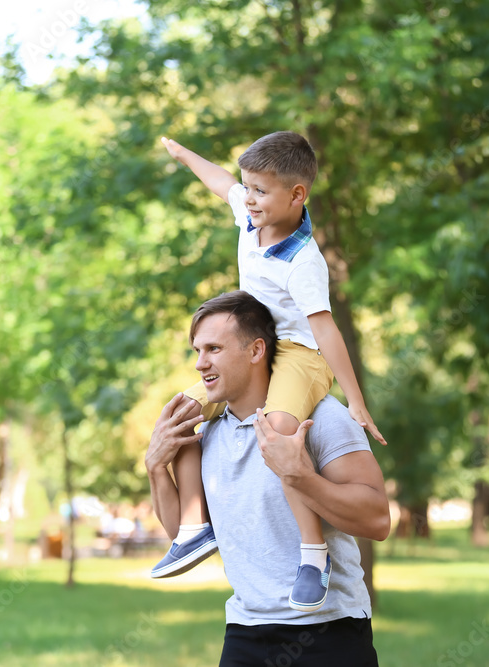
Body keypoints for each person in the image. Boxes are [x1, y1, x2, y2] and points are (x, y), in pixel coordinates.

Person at [151, 132, 386, 613]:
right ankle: (195, 528)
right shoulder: (248, 215)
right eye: (248, 187)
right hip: (257, 346)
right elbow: (219, 181)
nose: (249, 198)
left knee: (278, 433)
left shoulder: (303, 261)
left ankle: (312, 554)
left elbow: (326, 331)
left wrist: (355, 400)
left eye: (260, 190)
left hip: (299, 352)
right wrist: (180, 153)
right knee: (181, 412)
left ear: (297, 195)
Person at [145, 291, 390, 666]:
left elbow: (377, 519)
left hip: (330, 633)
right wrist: (156, 468)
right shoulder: (204, 435)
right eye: (196, 350)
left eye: (213, 349)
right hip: (244, 633)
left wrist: (301, 477)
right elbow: (183, 531)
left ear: (256, 351)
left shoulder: (321, 419)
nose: (199, 364)